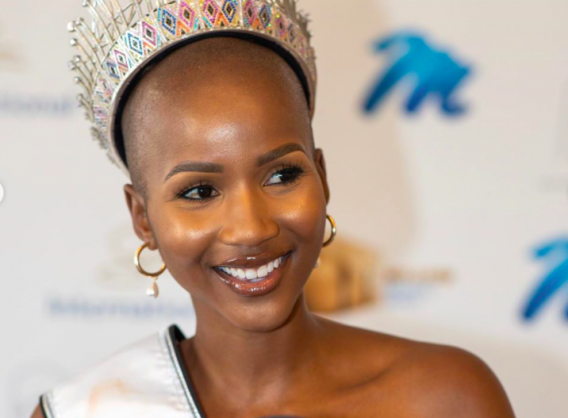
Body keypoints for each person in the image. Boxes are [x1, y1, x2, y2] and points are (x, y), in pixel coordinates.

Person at [32, 1, 516, 417]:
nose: (250, 228)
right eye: (199, 191)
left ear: (322, 177)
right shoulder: (81, 410)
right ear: (142, 218)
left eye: (282, 175)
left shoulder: (446, 399)